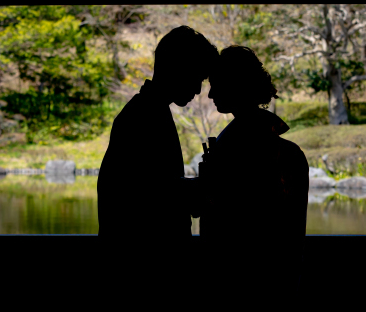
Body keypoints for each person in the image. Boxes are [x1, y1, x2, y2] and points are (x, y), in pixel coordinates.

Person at [97, 26, 217, 242]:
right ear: (179, 70)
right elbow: (143, 196)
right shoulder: (143, 117)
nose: (199, 90)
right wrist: (199, 189)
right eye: (197, 78)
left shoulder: (146, 111)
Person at [200, 45, 308, 282]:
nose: (209, 95)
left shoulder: (231, 152)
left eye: (215, 85)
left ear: (235, 85)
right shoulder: (290, 153)